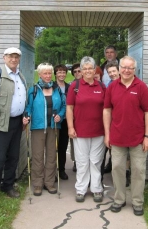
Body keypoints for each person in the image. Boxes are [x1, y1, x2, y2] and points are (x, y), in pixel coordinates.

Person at [103, 56, 148, 216]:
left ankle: (137, 202)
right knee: (117, 168)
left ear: (134, 70)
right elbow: (107, 110)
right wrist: (107, 134)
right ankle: (119, 199)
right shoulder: (112, 87)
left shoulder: (141, 87)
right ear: (119, 68)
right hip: (117, 137)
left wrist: (147, 136)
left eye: (129, 68)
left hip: (138, 138)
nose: (126, 70)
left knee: (138, 170)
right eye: (123, 67)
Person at [0, 47, 27, 204]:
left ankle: (7, 186)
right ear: (4, 57)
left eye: (16, 57)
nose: (14, 59)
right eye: (11, 56)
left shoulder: (20, 76)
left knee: (13, 157)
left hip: (16, 122)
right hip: (0, 123)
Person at [67, 56, 106, 203]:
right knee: (82, 161)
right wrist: (70, 127)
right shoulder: (75, 86)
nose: (88, 71)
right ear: (81, 71)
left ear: (95, 69)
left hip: (99, 131)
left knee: (96, 161)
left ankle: (96, 189)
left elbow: (107, 109)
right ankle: (81, 189)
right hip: (80, 131)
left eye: (90, 68)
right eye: (85, 68)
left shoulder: (101, 86)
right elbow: (69, 108)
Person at [23, 63, 65, 196]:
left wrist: (60, 115)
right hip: (38, 126)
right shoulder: (34, 90)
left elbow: (64, 105)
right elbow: (29, 107)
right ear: (39, 74)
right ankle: (37, 184)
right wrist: (27, 116)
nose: (47, 76)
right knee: (37, 155)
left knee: (52, 155)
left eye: (49, 73)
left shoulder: (57, 89)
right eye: (44, 73)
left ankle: (49, 182)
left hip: (53, 126)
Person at [53, 64, 70, 180]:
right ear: (55, 74)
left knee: (63, 146)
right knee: (53, 146)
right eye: (59, 72)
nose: (61, 74)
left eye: (63, 72)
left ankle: (62, 169)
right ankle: (52, 171)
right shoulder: (52, 87)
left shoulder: (69, 87)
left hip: (65, 120)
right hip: (54, 120)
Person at [69, 62, 82, 172]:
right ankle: (75, 162)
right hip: (74, 118)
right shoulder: (71, 85)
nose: (77, 73)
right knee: (74, 141)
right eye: (75, 71)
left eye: (79, 70)